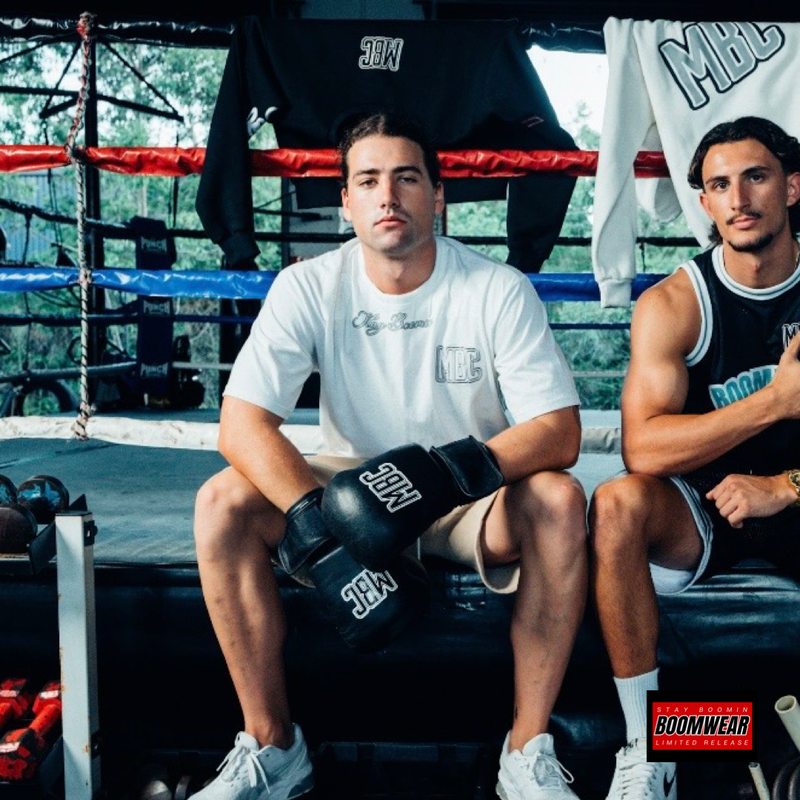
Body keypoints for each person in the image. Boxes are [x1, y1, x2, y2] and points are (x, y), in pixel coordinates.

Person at [193, 111, 588, 800]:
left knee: (558, 498)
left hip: (466, 499)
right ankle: (272, 745)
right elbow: (241, 423)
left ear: (437, 196)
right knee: (222, 499)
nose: (388, 196)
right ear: (345, 201)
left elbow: (558, 430)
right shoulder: (308, 285)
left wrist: (442, 473)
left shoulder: (496, 288)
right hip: (346, 494)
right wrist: (318, 524)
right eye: (368, 180)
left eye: (407, 179)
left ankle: (527, 751)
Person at [589, 115, 800, 800]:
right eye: (718, 185)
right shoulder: (676, 303)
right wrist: (774, 402)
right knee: (617, 503)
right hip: (706, 506)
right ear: (704, 203)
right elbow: (643, 447)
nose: (738, 198)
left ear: (792, 187)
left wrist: (786, 484)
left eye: (756, 177)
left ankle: (763, 738)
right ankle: (649, 750)